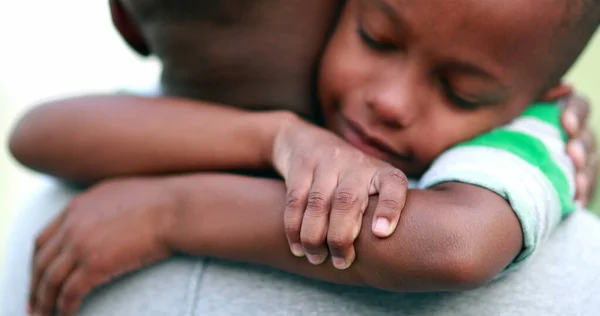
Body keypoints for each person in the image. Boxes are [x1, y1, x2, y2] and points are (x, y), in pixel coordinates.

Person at [3, 0, 600, 315]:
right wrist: (280, 136)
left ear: (544, 97)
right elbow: (35, 133)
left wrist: (169, 213)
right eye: (376, 39)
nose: (389, 102)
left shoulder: (535, 135)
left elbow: (451, 244)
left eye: (461, 93)